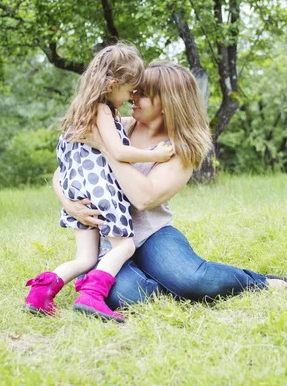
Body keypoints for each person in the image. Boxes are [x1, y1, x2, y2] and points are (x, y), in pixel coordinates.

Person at [52, 61, 287, 314]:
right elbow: (63, 170)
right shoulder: (117, 126)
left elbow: (143, 197)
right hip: (110, 239)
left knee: (193, 280)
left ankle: (259, 282)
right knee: (127, 296)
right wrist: (69, 205)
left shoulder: (180, 149)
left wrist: (108, 149)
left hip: (152, 234)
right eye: (134, 90)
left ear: (167, 103)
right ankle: (164, 284)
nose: (132, 97)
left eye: (143, 94)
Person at [24, 44, 174, 322]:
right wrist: (154, 154)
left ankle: (40, 293)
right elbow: (118, 152)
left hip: (78, 191)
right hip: (101, 191)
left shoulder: (81, 109)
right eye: (130, 91)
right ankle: (92, 296)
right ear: (113, 84)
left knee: (86, 258)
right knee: (124, 247)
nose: (131, 98)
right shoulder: (102, 111)